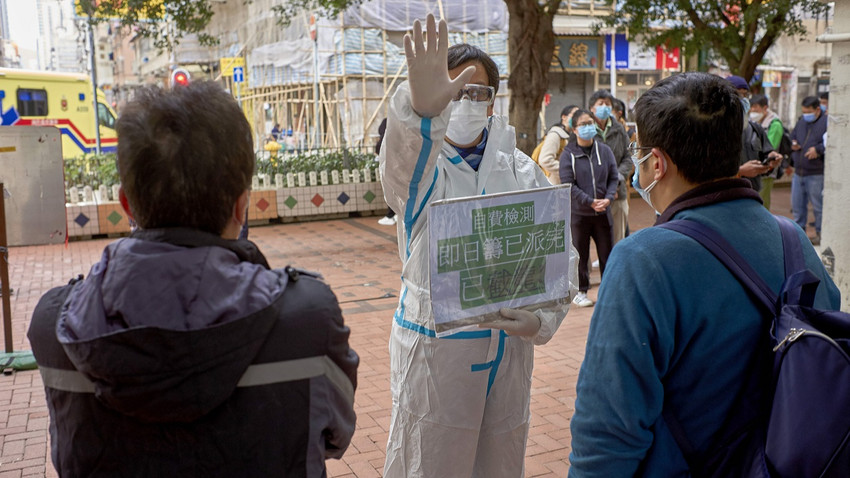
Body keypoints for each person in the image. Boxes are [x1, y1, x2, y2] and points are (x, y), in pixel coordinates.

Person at [28, 81, 359, 477]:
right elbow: (335, 435)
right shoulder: (308, 319)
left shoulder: (54, 325)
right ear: (242, 206)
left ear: (126, 204)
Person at [568, 72, 841, 477]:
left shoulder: (640, 261)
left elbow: (606, 435)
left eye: (641, 152)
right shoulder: (793, 241)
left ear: (656, 163)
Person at [379, 15, 573, 477]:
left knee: (499, 462)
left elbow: (558, 248)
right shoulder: (426, 168)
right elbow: (402, 172)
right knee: (428, 461)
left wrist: (541, 319)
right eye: (457, 89)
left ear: (493, 103)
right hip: (435, 354)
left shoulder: (520, 168)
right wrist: (416, 112)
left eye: (479, 91)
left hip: (506, 350)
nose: (468, 100)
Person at [559, 108, 618, 308]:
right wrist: (589, 201)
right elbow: (568, 185)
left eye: (590, 123)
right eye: (583, 124)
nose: (588, 127)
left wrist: (608, 198)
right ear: (574, 130)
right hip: (580, 214)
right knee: (581, 254)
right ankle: (581, 291)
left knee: (607, 253)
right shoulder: (568, 155)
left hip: (603, 212)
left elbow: (613, 177)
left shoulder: (604, 150)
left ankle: (610, 290)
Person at [588, 89, 631, 245]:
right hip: (592, 195)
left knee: (617, 239)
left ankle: (616, 268)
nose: (605, 106)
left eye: (607, 104)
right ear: (592, 108)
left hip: (618, 193)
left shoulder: (619, 129)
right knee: (586, 240)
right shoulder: (585, 128)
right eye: (601, 104)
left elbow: (628, 157)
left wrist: (616, 179)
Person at [726, 75, 782, 192]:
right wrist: (739, 171)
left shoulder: (755, 129)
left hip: (752, 194)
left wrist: (772, 160)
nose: (743, 99)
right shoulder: (712, 130)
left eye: (746, 95)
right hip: (725, 196)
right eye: (738, 94)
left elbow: (766, 154)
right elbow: (704, 172)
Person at [789, 95, 827, 245]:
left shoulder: (826, 123)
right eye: (804, 112)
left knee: (818, 206)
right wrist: (793, 143)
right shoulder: (801, 122)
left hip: (816, 172)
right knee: (797, 206)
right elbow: (792, 136)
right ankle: (799, 235)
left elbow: (830, 143)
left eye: (808, 112)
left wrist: (817, 150)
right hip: (799, 172)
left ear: (817, 110)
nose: (806, 115)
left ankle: (820, 233)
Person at [750, 93, 787, 209]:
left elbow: (770, 147)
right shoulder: (755, 122)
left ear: (765, 108)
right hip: (753, 169)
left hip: (767, 170)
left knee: (761, 203)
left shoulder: (774, 124)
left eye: (755, 107)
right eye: (751, 107)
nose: (752, 110)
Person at [537, 104, 578, 183]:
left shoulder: (569, 136)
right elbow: (545, 160)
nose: (577, 118)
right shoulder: (555, 134)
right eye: (574, 115)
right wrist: (567, 170)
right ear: (564, 117)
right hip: (554, 183)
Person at [375, 118, 397, 225]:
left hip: (390, 164)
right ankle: (396, 214)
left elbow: (379, 147)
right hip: (401, 164)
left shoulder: (387, 122)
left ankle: (391, 215)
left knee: (391, 189)